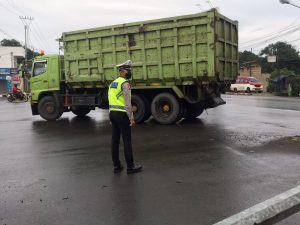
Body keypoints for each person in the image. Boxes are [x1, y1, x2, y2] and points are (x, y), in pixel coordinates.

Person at [108, 60, 142, 174]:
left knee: (115, 141)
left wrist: (110, 117)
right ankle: (130, 167)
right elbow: (128, 103)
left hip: (113, 114)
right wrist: (131, 118)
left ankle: (117, 166)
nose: (129, 72)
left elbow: (111, 100)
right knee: (127, 140)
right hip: (122, 115)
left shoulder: (112, 84)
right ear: (122, 71)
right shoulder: (125, 84)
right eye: (128, 70)